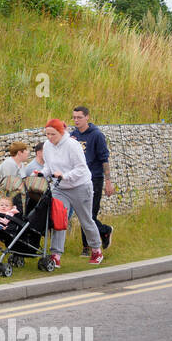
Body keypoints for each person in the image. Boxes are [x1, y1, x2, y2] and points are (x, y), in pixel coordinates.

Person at [42, 119, 104, 267]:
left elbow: (81, 168)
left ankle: (96, 250)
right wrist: (42, 173)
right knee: (59, 219)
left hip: (80, 186)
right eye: (47, 134)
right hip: (60, 188)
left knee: (86, 220)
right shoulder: (47, 146)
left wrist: (65, 175)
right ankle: (56, 254)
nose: (50, 137)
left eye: (53, 134)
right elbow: (48, 166)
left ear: (61, 132)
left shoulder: (72, 145)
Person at [68, 106, 113, 255]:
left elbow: (104, 159)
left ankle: (88, 246)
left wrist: (108, 181)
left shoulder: (96, 135)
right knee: (83, 214)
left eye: (79, 117)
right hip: (78, 179)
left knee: (89, 214)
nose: (76, 120)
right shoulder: (72, 136)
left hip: (94, 178)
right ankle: (103, 231)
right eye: (74, 118)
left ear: (87, 117)